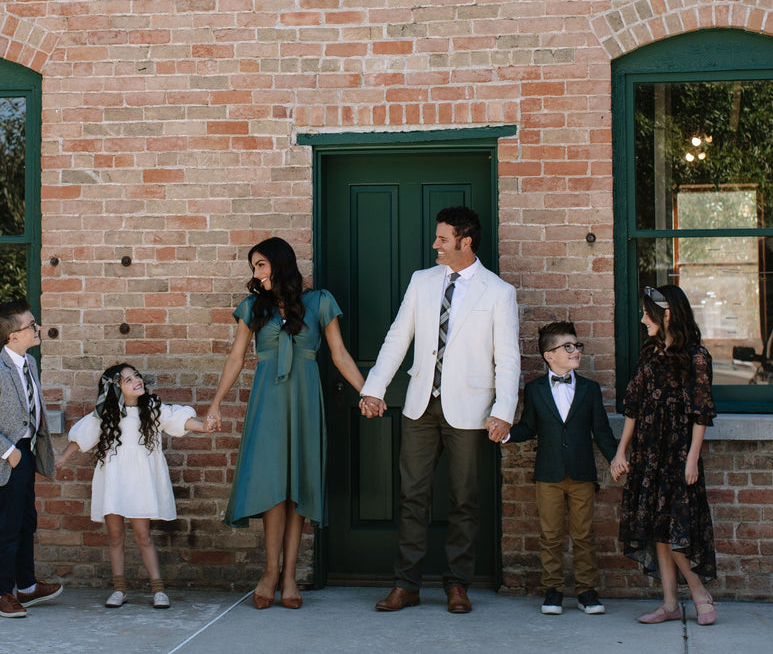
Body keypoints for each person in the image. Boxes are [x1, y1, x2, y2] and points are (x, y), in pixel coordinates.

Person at [360, 205, 521, 615]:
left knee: (464, 499)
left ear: (466, 242)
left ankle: (458, 584)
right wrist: (374, 388)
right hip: (420, 406)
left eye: (443, 239)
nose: (435, 245)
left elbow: (508, 357)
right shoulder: (422, 281)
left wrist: (504, 409)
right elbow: (398, 337)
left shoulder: (498, 291)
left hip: (470, 409)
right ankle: (406, 585)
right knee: (412, 496)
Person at [206, 237, 367, 610]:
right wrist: (215, 403)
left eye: (261, 265)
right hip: (268, 403)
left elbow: (340, 354)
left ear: (280, 263)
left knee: (298, 489)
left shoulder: (320, 302)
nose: (257, 273)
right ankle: (270, 572)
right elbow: (235, 358)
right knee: (273, 487)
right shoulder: (252, 307)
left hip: (305, 401)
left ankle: (291, 576)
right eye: (254, 267)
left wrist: (367, 392)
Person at [58, 363, 212, 610]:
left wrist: (203, 426)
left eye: (136, 376)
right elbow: (83, 436)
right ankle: (119, 589)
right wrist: (63, 458)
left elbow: (178, 419)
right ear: (115, 388)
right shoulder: (105, 414)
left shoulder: (152, 409)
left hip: (140, 482)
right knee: (115, 536)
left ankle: (158, 590)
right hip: (114, 480)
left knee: (143, 536)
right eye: (128, 380)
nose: (136, 381)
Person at [609, 284, 719, 626]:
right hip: (648, 452)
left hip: (677, 453)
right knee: (657, 526)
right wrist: (621, 451)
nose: (643, 320)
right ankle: (670, 603)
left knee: (675, 529)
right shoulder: (649, 353)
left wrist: (692, 458)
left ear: (667, 314)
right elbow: (634, 406)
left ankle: (699, 593)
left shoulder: (696, 356)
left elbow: (701, 413)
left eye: (648, 314)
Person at [506, 321, 618, 615]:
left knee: (583, 535)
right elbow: (528, 427)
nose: (575, 351)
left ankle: (586, 590)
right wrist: (505, 433)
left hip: (582, 473)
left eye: (577, 345)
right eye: (567, 347)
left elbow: (601, 431)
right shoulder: (535, 389)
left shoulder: (590, 389)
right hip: (549, 474)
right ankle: (553, 589)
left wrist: (615, 458)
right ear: (549, 355)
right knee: (550, 535)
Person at [0, 300, 64, 618]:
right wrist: (11, 453)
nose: (37, 328)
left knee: (26, 521)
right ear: (13, 336)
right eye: (32, 325)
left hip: (28, 451)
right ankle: (1, 594)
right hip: (11, 455)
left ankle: (27, 587)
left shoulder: (29, 363)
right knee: (8, 525)